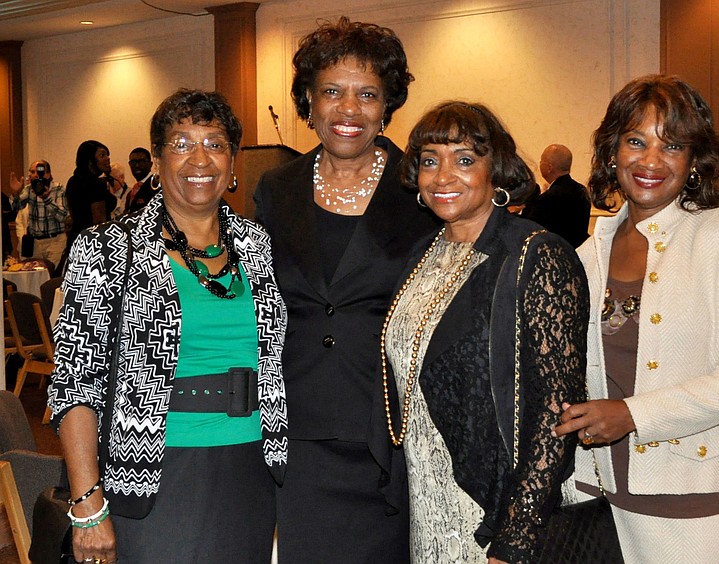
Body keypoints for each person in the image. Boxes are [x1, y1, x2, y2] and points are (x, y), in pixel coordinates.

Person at [49, 89, 288, 562]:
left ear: (233, 160)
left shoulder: (258, 244)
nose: (199, 158)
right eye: (180, 144)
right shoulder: (108, 249)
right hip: (152, 470)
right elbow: (74, 383)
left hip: (252, 464)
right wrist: (86, 504)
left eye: (215, 144)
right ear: (156, 161)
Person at [554, 75, 719, 563]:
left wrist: (633, 414)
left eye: (671, 145)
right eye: (636, 141)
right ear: (613, 152)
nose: (651, 161)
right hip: (594, 489)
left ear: (694, 161)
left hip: (690, 490)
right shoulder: (588, 253)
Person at [253, 16, 437, 563]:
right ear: (308, 102)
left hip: (392, 433)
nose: (348, 110)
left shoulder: (422, 187)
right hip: (298, 430)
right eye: (331, 91)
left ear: (388, 105)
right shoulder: (276, 188)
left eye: (367, 94)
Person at [383, 101, 588, 562]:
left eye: (464, 159)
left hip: (493, 509)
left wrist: (516, 535)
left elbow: (559, 410)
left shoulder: (536, 254)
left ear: (496, 169)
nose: (443, 176)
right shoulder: (422, 253)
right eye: (430, 161)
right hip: (425, 502)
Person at [522, 143, 591, 248]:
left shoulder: (549, 197)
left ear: (549, 167)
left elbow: (527, 227)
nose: (539, 164)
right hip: (577, 254)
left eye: (541, 161)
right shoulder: (581, 190)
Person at [7, 160, 69, 266]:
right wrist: (16, 192)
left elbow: (63, 216)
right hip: (35, 243)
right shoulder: (29, 189)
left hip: (55, 241)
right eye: (31, 172)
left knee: (52, 276)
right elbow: (15, 207)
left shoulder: (58, 188)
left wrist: (46, 199)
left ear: (48, 174)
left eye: (39, 172)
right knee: (35, 277)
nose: (33, 175)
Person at [64, 140, 116, 254]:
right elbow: (99, 222)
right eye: (102, 155)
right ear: (90, 160)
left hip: (76, 240)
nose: (107, 158)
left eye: (107, 155)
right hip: (93, 245)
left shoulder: (72, 181)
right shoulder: (95, 184)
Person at [125, 147, 157, 214]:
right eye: (133, 162)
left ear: (150, 164)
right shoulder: (131, 192)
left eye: (141, 161)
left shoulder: (156, 185)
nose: (137, 165)